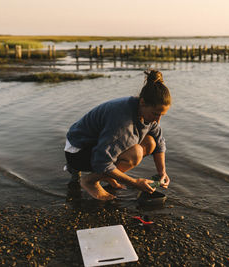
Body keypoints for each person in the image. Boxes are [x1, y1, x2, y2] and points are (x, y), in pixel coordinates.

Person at [64, 69, 171, 200]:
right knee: (136, 152)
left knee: (150, 142)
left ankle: (106, 176)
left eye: (162, 115)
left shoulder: (143, 111)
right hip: (77, 152)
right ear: (142, 102)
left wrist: (162, 172)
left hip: (94, 145)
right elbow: (102, 162)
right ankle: (90, 181)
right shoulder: (122, 122)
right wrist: (135, 183)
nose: (158, 120)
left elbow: (159, 142)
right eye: (155, 114)